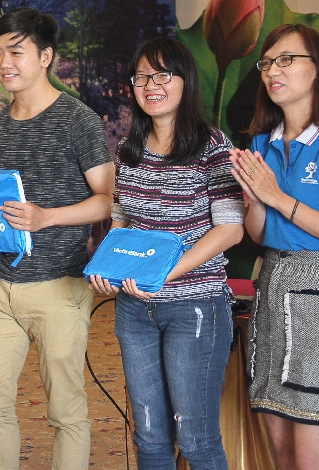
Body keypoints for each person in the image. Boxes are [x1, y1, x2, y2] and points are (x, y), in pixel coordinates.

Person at [0, 8, 115, 470]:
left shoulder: (77, 120)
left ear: (46, 56)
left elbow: (107, 200)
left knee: (66, 411)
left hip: (59, 287)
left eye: (16, 52)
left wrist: (47, 217)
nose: (4, 63)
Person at [88, 36, 244, 470]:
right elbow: (121, 221)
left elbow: (230, 229)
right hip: (134, 308)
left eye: (162, 75)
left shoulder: (213, 146)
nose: (150, 86)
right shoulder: (128, 149)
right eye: (141, 77)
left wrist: (163, 273)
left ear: (185, 80)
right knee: (150, 438)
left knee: (196, 440)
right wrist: (108, 267)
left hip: (195, 307)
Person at [228, 24, 319, 470]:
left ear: (318, 69)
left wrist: (275, 196)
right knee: (284, 453)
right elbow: (258, 233)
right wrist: (254, 200)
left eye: (286, 60)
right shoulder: (261, 141)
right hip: (272, 284)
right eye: (267, 62)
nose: (273, 71)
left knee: (313, 455)